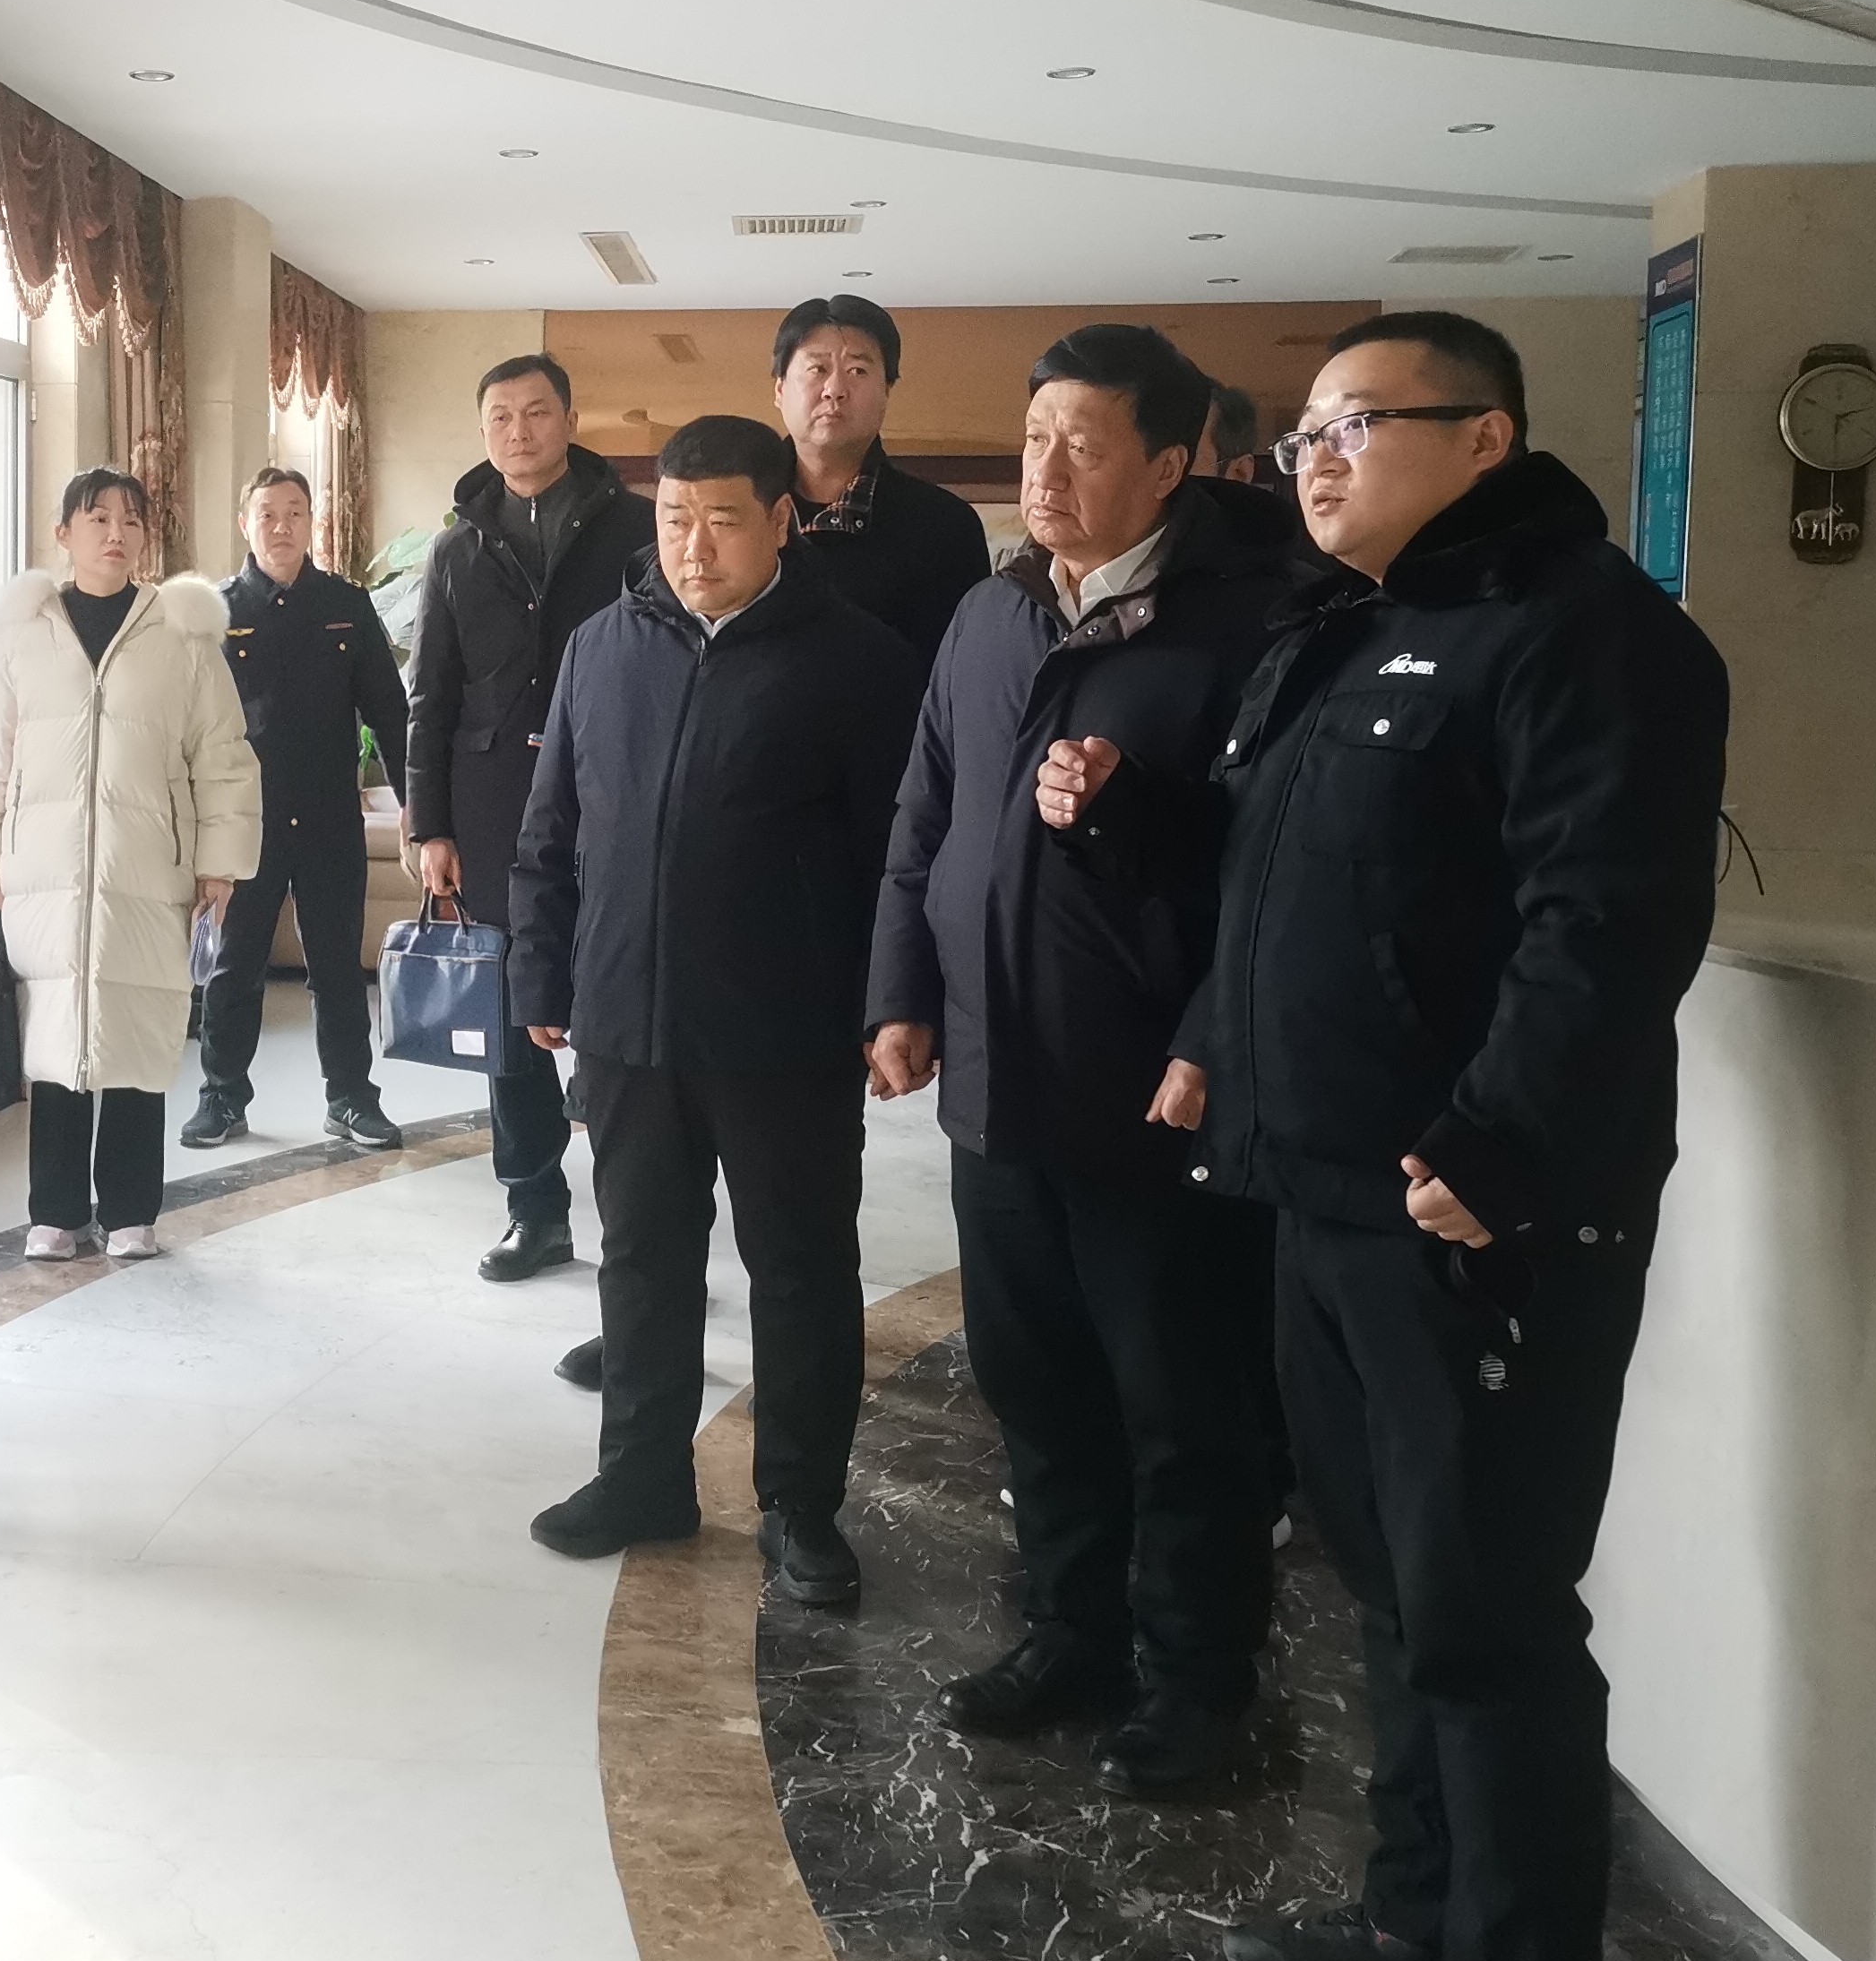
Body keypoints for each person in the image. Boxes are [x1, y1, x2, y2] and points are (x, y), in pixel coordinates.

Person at [1042, 312, 1728, 1961]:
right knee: (1388, 1586)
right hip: (1320, 1192)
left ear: (1485, 437)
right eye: (1305, 433)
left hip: (1475, 1217)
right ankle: (1416, 1913)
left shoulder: (1586, 635)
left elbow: (1605, 922)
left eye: (1359, 423)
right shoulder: (1343, 629)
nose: (1316, 459)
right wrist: (1201, 1017)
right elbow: (1272, 889)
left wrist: (1495, 1143)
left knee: (1487, 1612)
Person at [864, 323, 1298, 1797]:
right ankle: (1073, 1634)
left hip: (1153, 1092)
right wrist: (901, 990)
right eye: (1036, 437)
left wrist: (1210, 1036)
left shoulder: (1253, 625)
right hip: (999, 1079)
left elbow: (1277, 875)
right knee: (1034, 1385)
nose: (1045, 470)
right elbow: (926, 813)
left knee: (1182, 1408)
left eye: (1084, 445)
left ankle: (1198, 1682)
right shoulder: (993, 614)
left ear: (1170, 465)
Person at [508, 414, 924, 1604]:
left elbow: (901, 857)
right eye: (674, 520)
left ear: (782, 521)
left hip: (785, 1031)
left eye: (723, 520)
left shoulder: (858, 662)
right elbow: (550, 830)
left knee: (799, 1270)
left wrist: (890, 1003)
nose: (694, 547)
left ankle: (800, 1506)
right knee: (641, 1260)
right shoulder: (601, 647)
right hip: (625, 1021)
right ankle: (642, 1474)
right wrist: (543, 976)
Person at [0, 468, 260, 1260]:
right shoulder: (25, 634)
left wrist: (220, 863)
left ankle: (130, 1212)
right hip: (43, 875)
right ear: (64, 533)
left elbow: (223, 755)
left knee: (138, 1039)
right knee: (54, 1041)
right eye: (97, 519)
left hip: (149, 871)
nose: (115, 534)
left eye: (131, 520)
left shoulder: (181, 634)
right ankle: (55, 1211)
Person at [406, 354, 657, 1281]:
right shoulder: (456, 548)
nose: (519, 431)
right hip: (491, 810)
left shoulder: (636, 528)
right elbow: (430, 697)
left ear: (571, 419)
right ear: (484, 433)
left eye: (537, 412)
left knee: (619, 1011)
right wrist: (429, 826)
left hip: (614, 797)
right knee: (510, 1022)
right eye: (501, 417)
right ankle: (534, 1209)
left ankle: (642, 1223)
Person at [186, 466, 411, 1154]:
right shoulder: (215, 613)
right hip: (245, 824)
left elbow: (390, 712)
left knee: (338, 967)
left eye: (294, 513)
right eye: (267, 514)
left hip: (327, 819)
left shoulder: (346, 606)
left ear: (312, 523)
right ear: (245, 524)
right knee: (235, 967)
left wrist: (416, 808)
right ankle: (222, 1096)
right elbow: (187, 728)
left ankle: (350, 1098)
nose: (280, 527)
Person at [771, 292, 995, 659]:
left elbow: (958, 672)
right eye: (817, 369)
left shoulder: (945, 527)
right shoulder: (738, 511)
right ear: (780, 389)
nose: (834, 390)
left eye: (858, 371)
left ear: (887, 390)